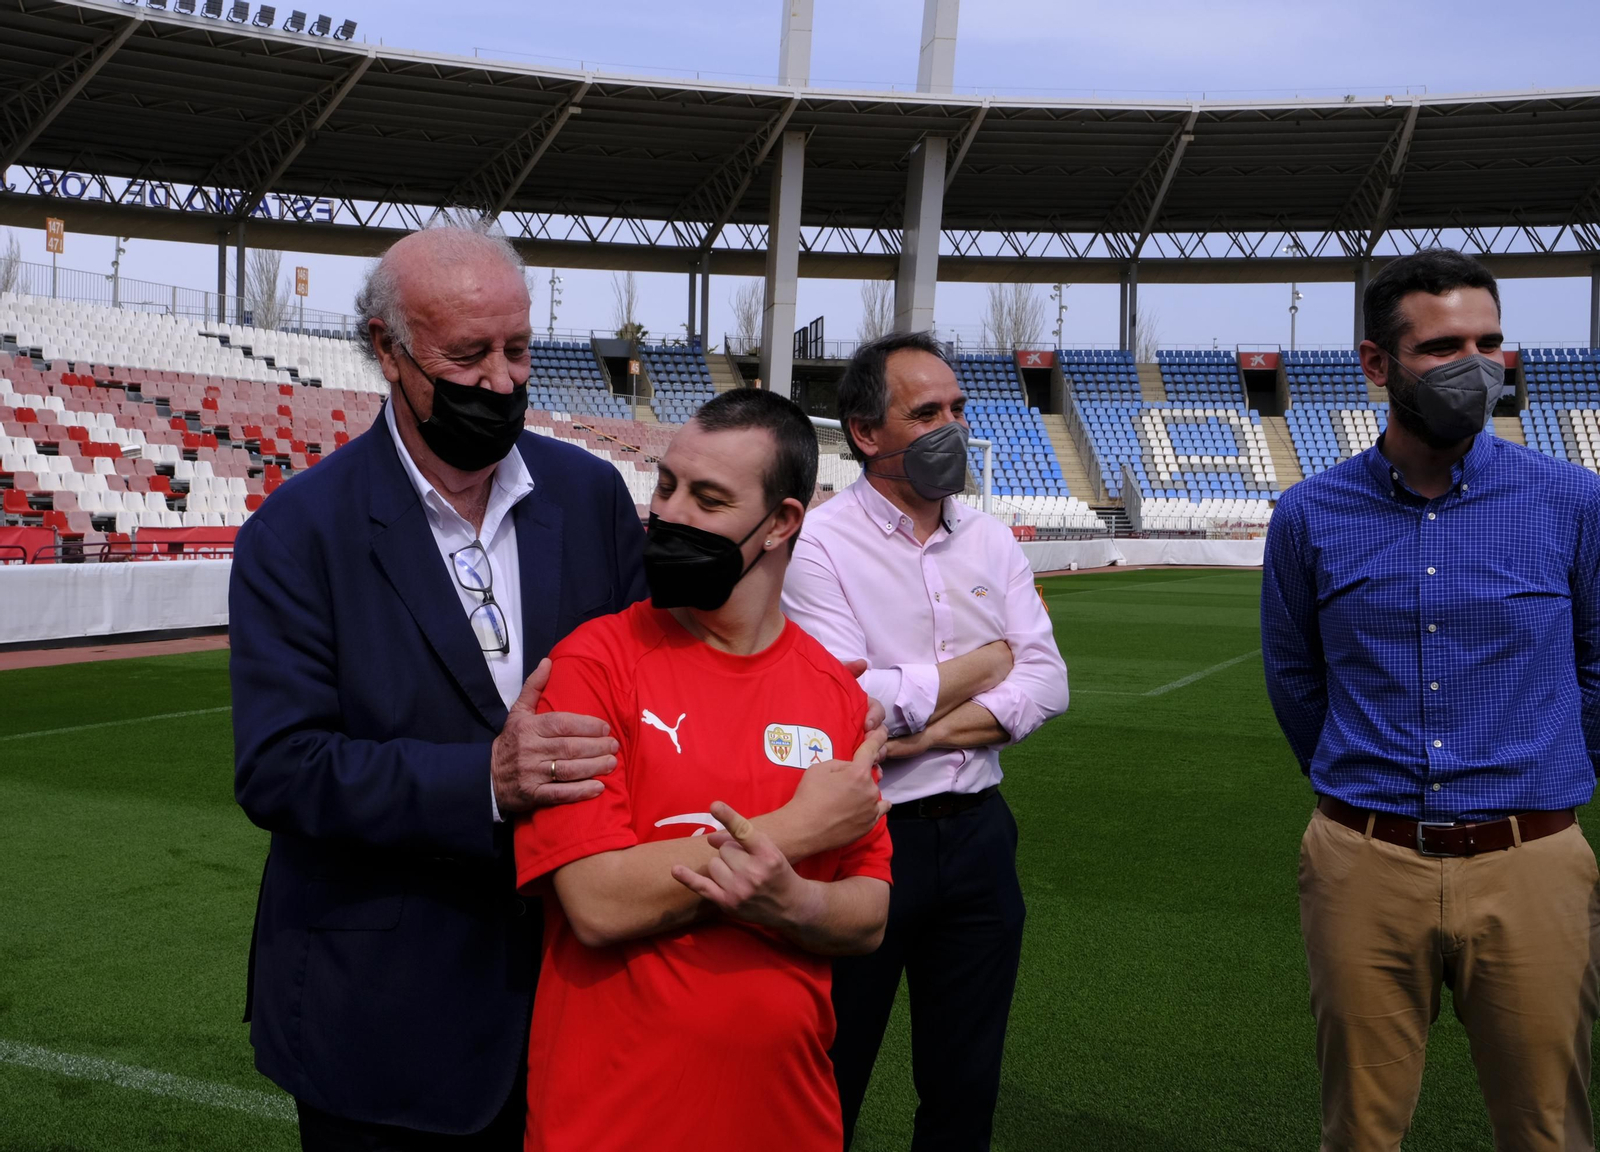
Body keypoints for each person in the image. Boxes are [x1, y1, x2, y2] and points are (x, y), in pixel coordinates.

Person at [1262, 248, 1600, 1152]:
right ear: (1378, 365)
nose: (1478, 365)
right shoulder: (1309, 515)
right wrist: (1361, 789)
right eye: (1444, 346)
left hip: (1532, 859)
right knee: (1361, 1134)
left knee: (1547, 1130)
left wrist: (1548, 780)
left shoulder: (1572, 501)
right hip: (1363, 859)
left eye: (1490, 341)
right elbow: (1296, 683)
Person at [512, 388, 893, 1152]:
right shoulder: (593, 663)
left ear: (782, 523)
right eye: (666, 486)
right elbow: (598, 902)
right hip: (609, 1122)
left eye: (709, 499)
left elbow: (868, 914)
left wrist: (790, 903)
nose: (672, 513)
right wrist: (793, 831)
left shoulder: (838, 696)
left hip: (788, 1120)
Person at [781, 330, 1071, 1150]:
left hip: (979, 834)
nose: (951, 425)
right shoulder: (821, 544)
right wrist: (984, 664)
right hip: (861, 839)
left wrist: (916, 730)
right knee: (828, 1079)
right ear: (866, 434)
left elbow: (1048, 683)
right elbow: (847, 701)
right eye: (927, 411)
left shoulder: (987, 538)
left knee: (965, 1086)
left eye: (957, 407)